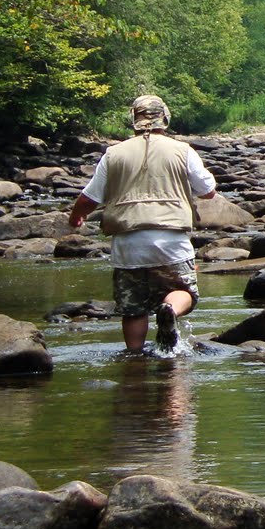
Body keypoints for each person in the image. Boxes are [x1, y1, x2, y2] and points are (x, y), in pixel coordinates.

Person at [68, 95, 216, 353]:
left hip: (128, 242)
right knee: (183, 292)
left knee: (133, 308)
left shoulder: (114, 154)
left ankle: (135, 358)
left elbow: (89, 197)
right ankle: (169, 309)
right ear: (165, 119)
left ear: (134, 120)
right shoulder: (182, 150)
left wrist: (76, 216)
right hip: (170, 237)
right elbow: (208, 191)